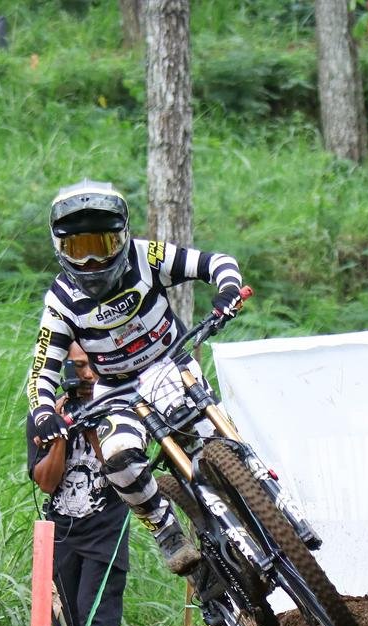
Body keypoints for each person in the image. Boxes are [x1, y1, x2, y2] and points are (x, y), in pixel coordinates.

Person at [26, 179, 245, 577]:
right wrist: (43, 412)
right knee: (118, 455)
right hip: (116, 389)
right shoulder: (60, 301)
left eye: (102, 245)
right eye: (79, 249)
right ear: (60, 248)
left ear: (123, 237)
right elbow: (42, 368)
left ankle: (257, 487)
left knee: (214, 442)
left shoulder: (147, 257)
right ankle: (164, 528)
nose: (92, 262)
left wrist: (228, 289)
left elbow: (216, 262)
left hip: (169, 364)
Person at [27, 341, 131, 626]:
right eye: (79, 366)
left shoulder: (120, 412)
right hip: (62, 534)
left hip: (105, 532)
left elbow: (124, 473)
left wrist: (92, 429)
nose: (87, 374)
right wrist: (60, 433)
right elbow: (46, 483)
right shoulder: (45, 415)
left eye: (92, 364)